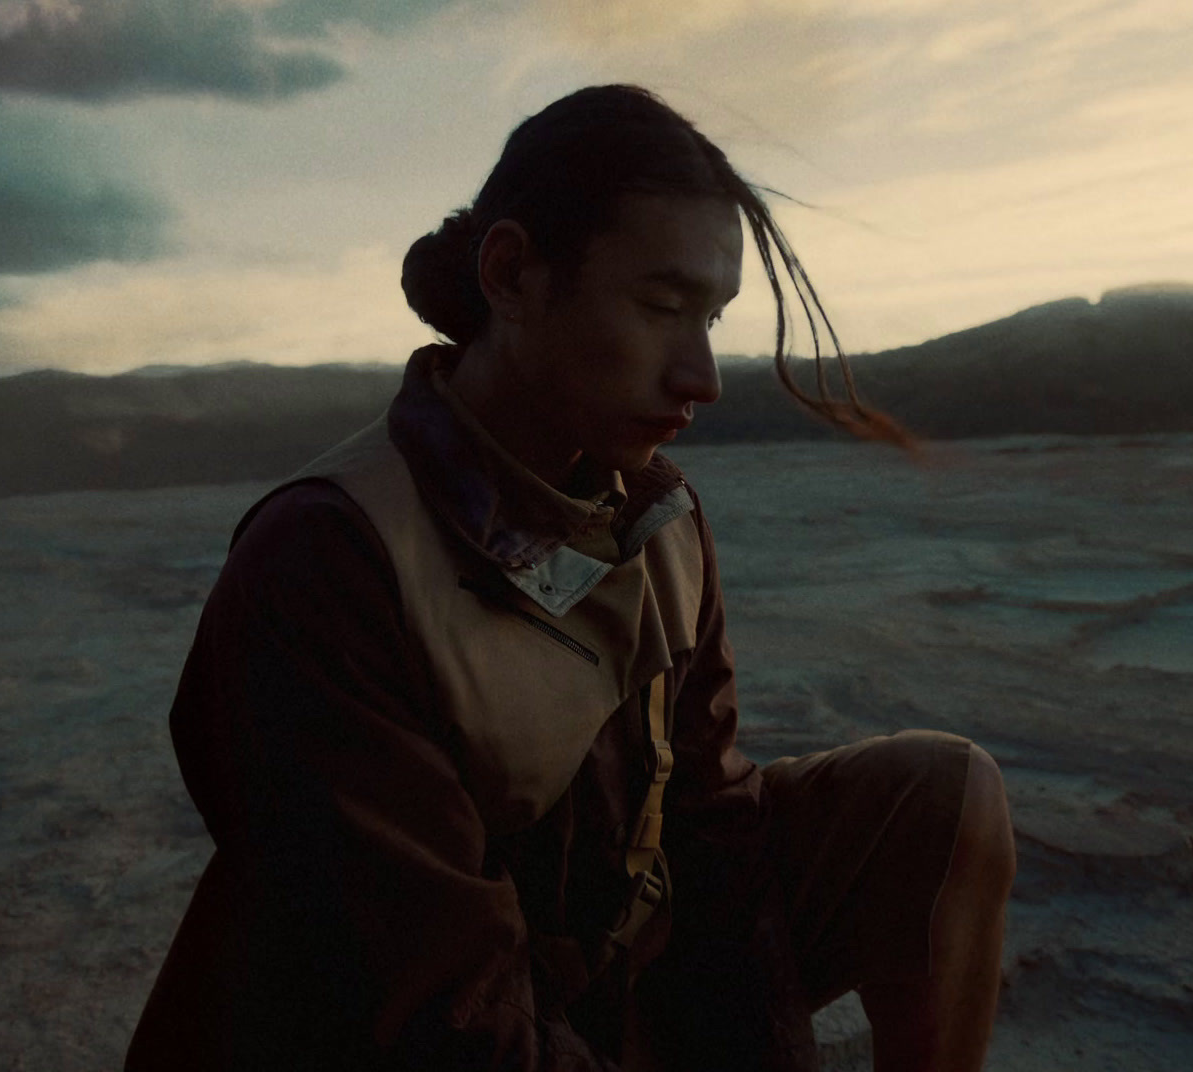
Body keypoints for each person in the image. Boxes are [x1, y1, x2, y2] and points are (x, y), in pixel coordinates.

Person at [125, 84, 1015, 1072]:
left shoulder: (657, 515)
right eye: (660, 306)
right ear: (513, 273)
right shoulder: (329, 557)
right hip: (394, 1038)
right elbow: (438, 1009)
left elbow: (710, 838)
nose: (701, 376)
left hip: (611, 988)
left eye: (710, 316)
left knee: (938, 798)